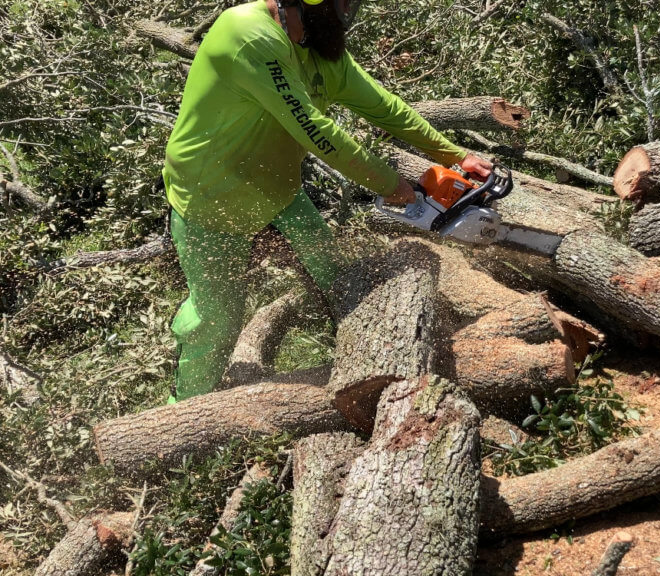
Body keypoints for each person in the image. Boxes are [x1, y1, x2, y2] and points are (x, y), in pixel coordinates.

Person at [162, 0, 491, 402]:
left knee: (333, 268)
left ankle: (361, 350)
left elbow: (381, 105)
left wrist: (452, 155)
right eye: (344, 3)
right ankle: (185, 407)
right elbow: (314, 130)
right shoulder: (248, 35)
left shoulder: (319, 44)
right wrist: (389, 183)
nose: (350, 11)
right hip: (213, 195)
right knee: (218, 320)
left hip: (278, 187)